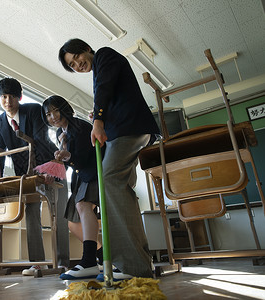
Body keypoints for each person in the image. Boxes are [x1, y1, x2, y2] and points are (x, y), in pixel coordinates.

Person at [58, 39, 160, 281]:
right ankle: (139, 262)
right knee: (120, 189)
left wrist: (99, 119)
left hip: (129, 130)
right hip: (126, 129)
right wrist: (102, 115)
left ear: (85, 49)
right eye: (72, 65)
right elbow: (111, 90)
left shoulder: (104, 54)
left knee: (110, 181)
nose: (77, 65)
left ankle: (132, 266)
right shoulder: (101, 67)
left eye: (76, 58)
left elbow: (104, 86)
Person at [0, 78, 70, 275]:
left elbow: (41, 141)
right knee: (31, 213)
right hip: (26, 176)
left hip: (51, 167)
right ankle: (37, 262)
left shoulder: (33, 110)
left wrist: (48, 170)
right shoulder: (0, 122)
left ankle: (63, 263)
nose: (8, 101)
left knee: (58, 216)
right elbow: (0, 154)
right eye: (3, 96)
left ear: (19, 97)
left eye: (12, 96)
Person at [41, 95, 104, 280]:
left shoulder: (79, 126)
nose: (52, 116)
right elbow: (73, 160)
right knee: (73, 222)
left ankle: (89, 261)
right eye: (48, 114)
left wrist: (67, 154)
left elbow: (83, 158)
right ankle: (102, 258)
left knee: (83, 206)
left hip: (92, 173)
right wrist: (63, 154)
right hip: (81, 177)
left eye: (55, 110)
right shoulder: (64, 133)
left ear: (64, 108)